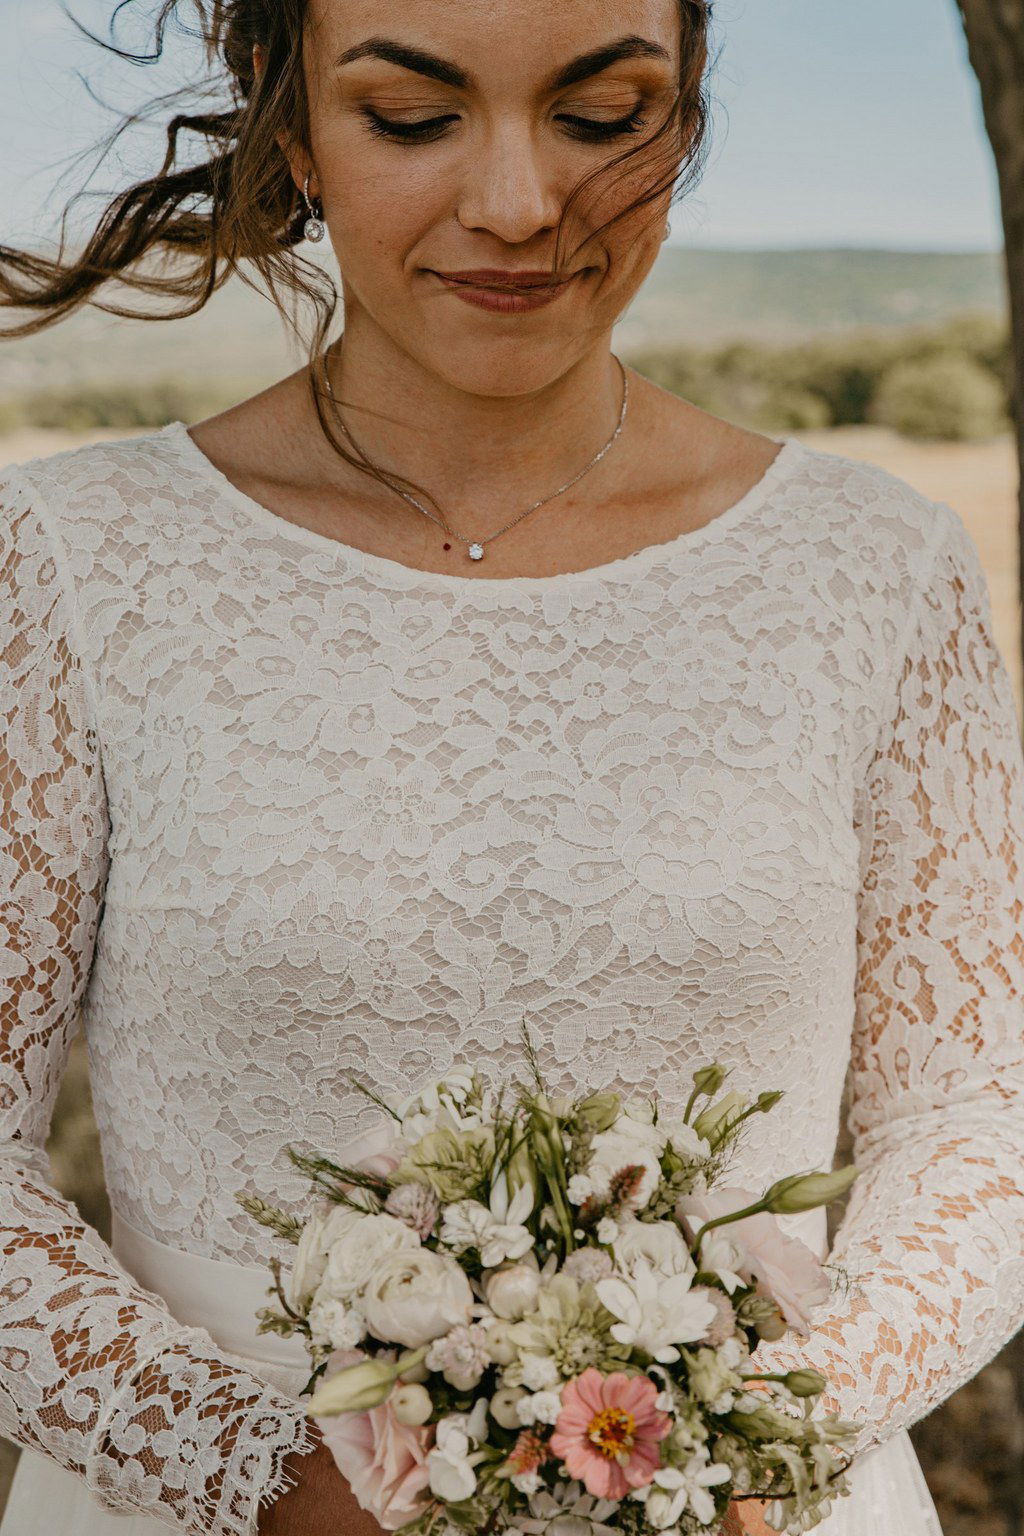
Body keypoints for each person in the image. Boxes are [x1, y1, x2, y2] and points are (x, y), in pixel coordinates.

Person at [0, 2, 1021, 1534]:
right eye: (413, 120)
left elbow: (979, 1114)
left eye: (603, 114)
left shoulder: (876, 569)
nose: (519, 202)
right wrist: (271, 1481)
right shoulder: (74, 564)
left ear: (682, 123)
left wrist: (745, 1446)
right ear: (297, 140)